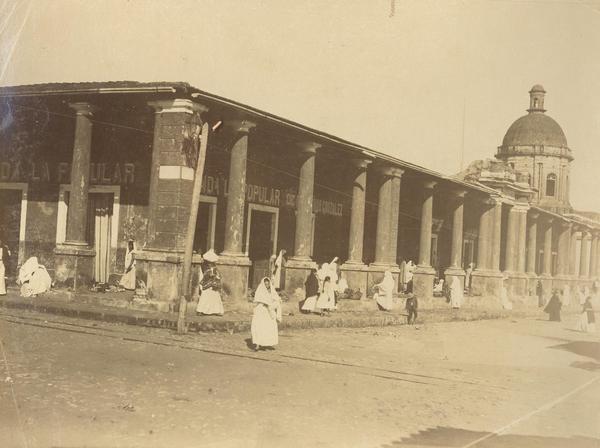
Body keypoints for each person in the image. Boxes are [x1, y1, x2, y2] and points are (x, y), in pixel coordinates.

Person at [251, 277, 282, 351]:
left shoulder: (272, 292)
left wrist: (271, 305)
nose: (266, 286)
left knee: (268, 327)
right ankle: (257, 344)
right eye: (265, 284)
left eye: (268, 284)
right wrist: (262, 303)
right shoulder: (260, 291)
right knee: (259, 327)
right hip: (261, 311)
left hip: (269, 312)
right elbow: (256, 301)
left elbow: (277, 300)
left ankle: (266, 343)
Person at [196, 249, 224, 316]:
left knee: (214, 296)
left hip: (213, 283)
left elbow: (218, 274)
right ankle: (201, 310)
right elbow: (202, 275)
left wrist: (217, 276)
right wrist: (209, 275)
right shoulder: (203, 266)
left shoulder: (214, 266)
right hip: (207, 283)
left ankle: (215, 310)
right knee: (205, 296)